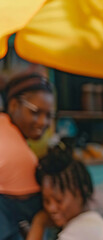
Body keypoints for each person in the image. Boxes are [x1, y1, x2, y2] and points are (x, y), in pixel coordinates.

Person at [0, 73, 55, 240]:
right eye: (35, 112)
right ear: (14, 105)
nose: (43, 122)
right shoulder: (21, 157)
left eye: (48, 115)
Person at [27, 143, 103, 240]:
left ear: (80, 192)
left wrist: (38, 223)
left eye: (59, 200)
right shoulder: (92, 221)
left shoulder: (79, 231)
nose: (52, 208)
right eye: (46, 201)